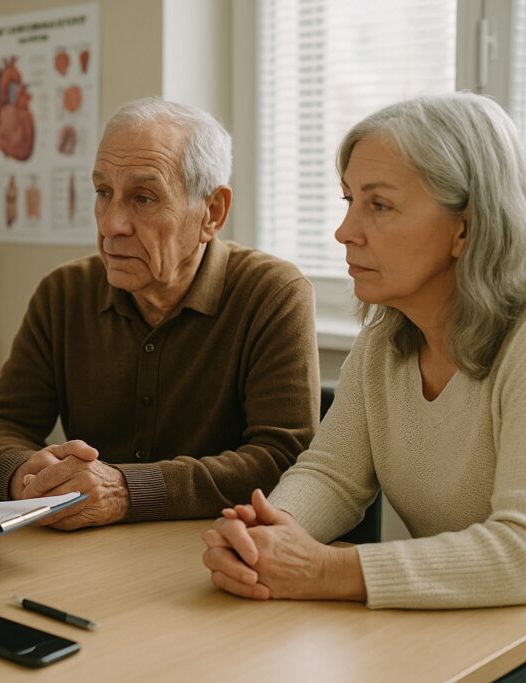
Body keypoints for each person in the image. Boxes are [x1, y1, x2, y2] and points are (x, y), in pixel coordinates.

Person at [202, 91, 526, 609]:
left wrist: (324, 569)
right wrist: (267, 534)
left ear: (464, 227)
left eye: (379, 205)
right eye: (349, 200)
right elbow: (331, 473)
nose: (344, 232)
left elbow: (521, 551)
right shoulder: (385, 340)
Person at [0, 97, 319, 528]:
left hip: (212, 548)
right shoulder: (65, 292)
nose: (111, 224)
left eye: (143, 198)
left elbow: (283, 460)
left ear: (212, 212)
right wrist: (26, 474)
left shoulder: (272, 293)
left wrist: (127, 490)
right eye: (103, 193)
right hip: (91, 550)